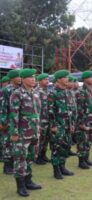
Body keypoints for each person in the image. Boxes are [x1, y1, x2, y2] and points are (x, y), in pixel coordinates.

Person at [10, 68, 42, 197]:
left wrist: (38, 128)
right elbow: (14, 114)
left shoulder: (35, 93)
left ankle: (28, 181)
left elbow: (37, 113)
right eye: (30, 77)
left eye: (34, 77)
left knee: (30, 157)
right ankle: (21, 186)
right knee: (20, 158)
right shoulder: (17, 93)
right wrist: (14, 132)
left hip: (34, 131)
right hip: (22, 133)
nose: (33, 79)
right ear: (23, 79)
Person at [48, 70, 75, 179]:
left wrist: (72, 124)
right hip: (58, 125)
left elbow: (71, 110)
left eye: (67, 77)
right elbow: (49, 111)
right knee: (56, 147)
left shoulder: (67, 92)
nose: (67, 79)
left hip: (67, 125)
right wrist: (53, 125)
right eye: (64, 77)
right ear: (59, 79)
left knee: (66, 146)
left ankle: (62, 166)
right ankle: (56, 170)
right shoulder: (53, 93)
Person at [1, 69, 21, 174]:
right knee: (7, 143)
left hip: (17, 121)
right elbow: (3, 107)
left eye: (20, 76)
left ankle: (13, 164)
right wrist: (3, 122)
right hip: (8, 121)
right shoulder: (6, 90)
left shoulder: (20, 89)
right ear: (12, 78)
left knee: (15, 144)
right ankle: (7, 166)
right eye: (17, 76)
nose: (19, 78)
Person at [76, 71, 92, 169]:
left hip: (91, 120)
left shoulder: (91, 90)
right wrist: (81, 123)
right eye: (90, 77)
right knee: (82, 141)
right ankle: (81, 161)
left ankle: (86, 159)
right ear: (85, 79)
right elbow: (79, 108)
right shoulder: (81, 91)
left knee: (89, 140)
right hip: (84, 121)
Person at [34, 73, 51, 165]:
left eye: (48, 79)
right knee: (40, 139)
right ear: (39, 81)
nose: (47, 81)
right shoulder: (36, 91)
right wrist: (38, 122)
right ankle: (37, 157)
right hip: (41, 120)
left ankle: (43, 155)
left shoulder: (47, 91)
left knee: (46, 139)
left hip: (47, 119)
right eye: (45, 79)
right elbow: (36, 109)